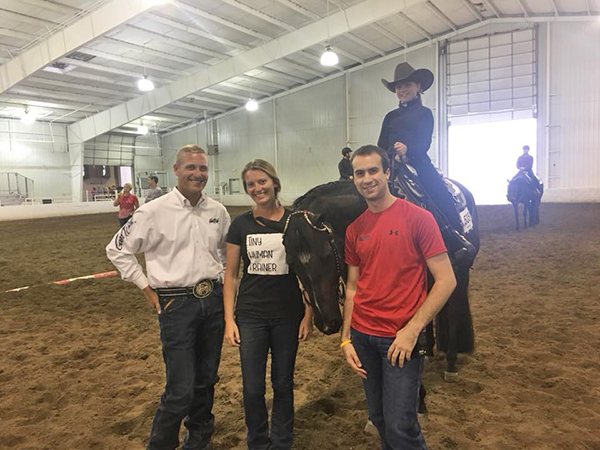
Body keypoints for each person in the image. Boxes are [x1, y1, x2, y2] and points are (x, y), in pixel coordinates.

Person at [106, 144, 230, 450]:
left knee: (207, 380)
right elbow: (117, 249)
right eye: (191, 167)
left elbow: (227, 255)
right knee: (180, 389)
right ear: (176, 170)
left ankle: (198, 442)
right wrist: (145, 286)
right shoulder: (151, 211)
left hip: (212, 300)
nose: (198, 174)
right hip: (176, 304)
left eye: (202, 168)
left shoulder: (218, 211)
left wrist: (224, 288)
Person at [340, 145, 457, 450]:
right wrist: (345, 338)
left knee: (401, 427)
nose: (367, 179)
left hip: (399, 340)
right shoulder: (354, 230)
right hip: (362, 337)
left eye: (373, 171)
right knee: (379, 419)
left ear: (387, 172)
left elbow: (446, 280)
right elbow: (352, 287)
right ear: (353, 178)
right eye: (360, 173)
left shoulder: (419, 219)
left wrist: (412, 330)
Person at [223, 159, 313, 450]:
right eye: (251, 184)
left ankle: (282, 442)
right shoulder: (240, 225)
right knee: (252, 389)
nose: (257, 188)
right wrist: (229, 319)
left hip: (288, 316)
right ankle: (257, 442)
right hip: (251, 316)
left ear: (274, 182)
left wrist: (308, 314)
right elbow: (231, 275)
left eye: (262, 181)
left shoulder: (295, 222)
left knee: (283, 385)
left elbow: (308, 272)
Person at [377, 62, 475, 265]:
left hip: (418, 162)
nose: (402, 90)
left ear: (418, 87)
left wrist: (408, 149)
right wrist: (387, 156)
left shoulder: (424, 114)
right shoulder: (390, 117)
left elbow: (424, 143)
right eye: (398, 87)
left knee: (438, 192)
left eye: (407, 85)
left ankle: (456, 240)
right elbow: (380, 145)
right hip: (391, 165)